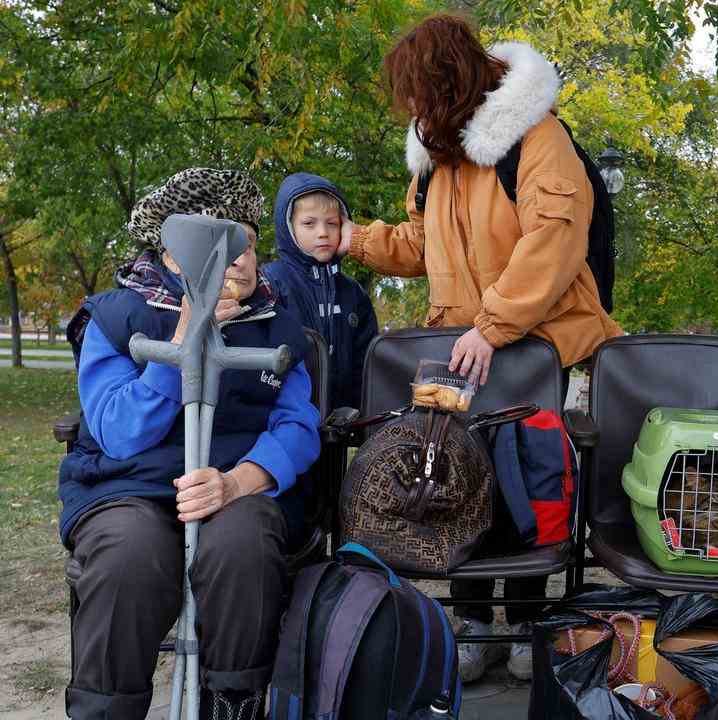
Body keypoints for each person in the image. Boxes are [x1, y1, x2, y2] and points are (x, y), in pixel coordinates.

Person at [336, 15, 623, 683]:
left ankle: (524, 621)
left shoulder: (536, 137)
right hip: (463, 348)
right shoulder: (437, 156)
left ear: (446, 82)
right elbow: (423, 246)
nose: (409, 107)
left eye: (416, 91)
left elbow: (551, 243)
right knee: (456, 477)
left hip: (530, 345)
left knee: (526, 479)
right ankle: (472, 622)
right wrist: (357, 240)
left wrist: (493, 325)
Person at [59, 168, 321, 719]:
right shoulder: (114, 317)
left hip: (234, 486)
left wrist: (239, 482)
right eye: (223, 243)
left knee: (243, 547)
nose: (242, 259)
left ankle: (232, 707)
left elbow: (298, 426)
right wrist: (178, 347)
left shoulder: (279, 325)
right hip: (129, 486)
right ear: (172, 256)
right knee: (128, 554)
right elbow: (117, 430)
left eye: (248, 241)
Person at [264, 172, 378, 411]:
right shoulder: (269, 282)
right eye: (309, 223)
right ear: (288, 228)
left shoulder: (353, 294)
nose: (323, 232)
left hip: (341, 425)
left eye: (332, 223)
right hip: (283, 415)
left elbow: (366, 364)